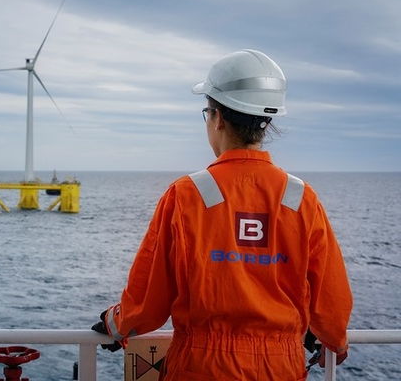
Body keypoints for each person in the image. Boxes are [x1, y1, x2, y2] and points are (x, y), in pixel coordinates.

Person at [92, 49, 353, 380]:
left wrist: (116, 322)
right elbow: (332, 300)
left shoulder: (185, 195)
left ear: (216, 117)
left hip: (201, 367)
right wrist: (335, 342)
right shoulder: (301, 199)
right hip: (279, 368)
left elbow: (149, 300)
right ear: (266, 123)